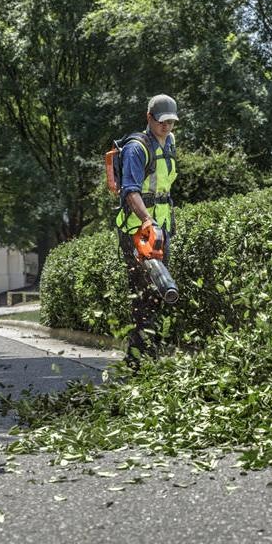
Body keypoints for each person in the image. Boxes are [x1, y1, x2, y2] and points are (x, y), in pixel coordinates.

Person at [115, 94, 179, 368]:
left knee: (162, 290)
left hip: (162, 228)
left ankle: (149, 353)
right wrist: (147, 221)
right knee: (144, 294)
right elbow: (130, 190)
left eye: (171, 122)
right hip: (137, 230)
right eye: (162, 122)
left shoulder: (171, 142)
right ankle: (138, 361)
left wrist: (161, 224)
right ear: (149, 118)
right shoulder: (136, 148)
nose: (167, 127)